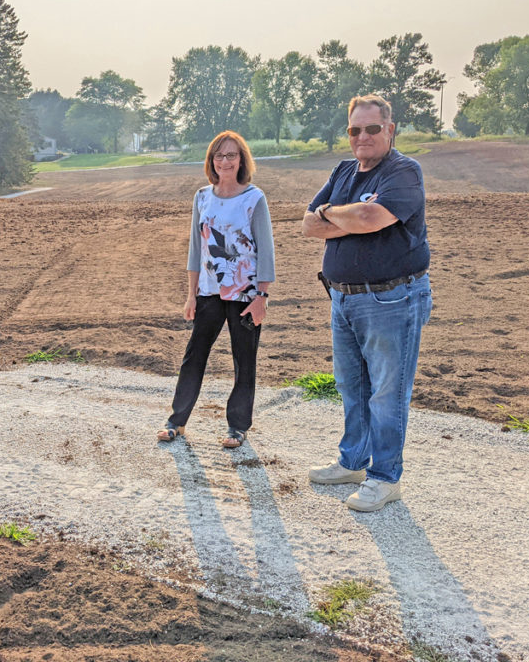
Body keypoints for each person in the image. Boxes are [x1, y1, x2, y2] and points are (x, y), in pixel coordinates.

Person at [301, 94, 432, 512]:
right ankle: (353, 461)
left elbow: (372, 219)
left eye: (372, 129)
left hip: (390, 298)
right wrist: (346, 214)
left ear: (390, 130)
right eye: (355, 130)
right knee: (351, 387)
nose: (362, 137)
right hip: (342, 297)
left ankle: (385, 477)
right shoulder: (343, 171)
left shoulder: (404, 172)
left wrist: (334, 214)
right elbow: (308, 225)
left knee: (387, 392)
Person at [158, 130, 275, 449]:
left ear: (242, 160)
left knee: (244, 361)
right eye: (219, 155)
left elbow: (265, 250)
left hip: (246, 295)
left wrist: (262, 296)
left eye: (231, 155)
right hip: (209, 293)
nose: (225, 161)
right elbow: (196, 250)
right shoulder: (201, 197)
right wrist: (190, 294)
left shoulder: (254, 198)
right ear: (211, 160)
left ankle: (237, 427)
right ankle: (176, 421)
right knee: (193, 356)